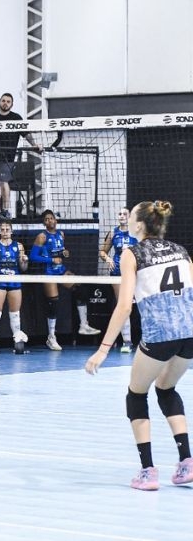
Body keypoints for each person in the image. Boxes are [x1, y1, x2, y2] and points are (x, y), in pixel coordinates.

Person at [85, 200, 193, 491]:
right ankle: (186, 462)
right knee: (166, 389)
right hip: (189, 334)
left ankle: (148, 471)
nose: (128, 219)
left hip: (160, 334)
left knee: (136, 394)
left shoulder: (131, 253)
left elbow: (124, 306)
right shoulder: (181, 251)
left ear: (140, 224)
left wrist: (103, 349)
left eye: (131, 215)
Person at [30, 209, 99, 351]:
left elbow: (59, 253)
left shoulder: (61, 234)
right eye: (46, 219)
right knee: (53, 303)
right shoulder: (42, 236)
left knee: (80, 289)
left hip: (60, 271)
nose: (49, 221)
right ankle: (51, 337)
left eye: (51, 218)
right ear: (44, 223)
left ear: (56, 220)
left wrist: (64, 253)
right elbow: (33, 257)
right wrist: (51, 260)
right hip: (48, 273)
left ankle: (83, 325)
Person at [0, 93, 43, 219]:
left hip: (7, 157)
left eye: (8, 101)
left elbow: (26, 134)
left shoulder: (16, 118)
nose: (5, 103)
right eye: (3, 101)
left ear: (12, 104)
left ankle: (6, 210)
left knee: (4, 182)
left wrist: (34, 144)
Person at [0, 221, 30, 353]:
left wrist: (24, 261)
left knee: (15, 314)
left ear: (11, 231)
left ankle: (17, 343)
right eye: (2, 229)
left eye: (7, 229)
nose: (5, 232)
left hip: (14, 281)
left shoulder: (19, 246)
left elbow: (23, 268)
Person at [99, 207, 139, 353]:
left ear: (130, 217)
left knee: (139, 304)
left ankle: (146, 340)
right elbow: (102, 251)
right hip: (117, 272)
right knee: (123, 304)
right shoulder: (113, 233)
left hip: (134, 272)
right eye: (119, 213)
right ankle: (127, 342)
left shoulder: (136, 233)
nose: (121, 216)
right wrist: (108, 259)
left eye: (124, 214)